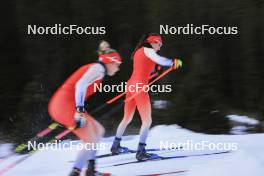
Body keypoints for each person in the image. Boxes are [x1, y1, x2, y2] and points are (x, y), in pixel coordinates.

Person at [48, 42, 122, 176]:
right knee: (90, 139)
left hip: (64, 104)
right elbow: (80, 85)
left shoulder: (98, 69)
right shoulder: (98, 69)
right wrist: (79, 111)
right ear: (111, 61)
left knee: (99, 131)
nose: (118, 68)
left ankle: (90, 170)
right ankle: (76, 172)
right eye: (117, 64)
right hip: (64, 105)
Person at [110, 33, 182, 161]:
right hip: (139, 88)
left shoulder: (139, 51)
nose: (159, 47)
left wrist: (157, 69)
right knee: (147, 121)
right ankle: (141, 152)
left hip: (130, 86)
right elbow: (159, 60)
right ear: (153, 42)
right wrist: (172, 62)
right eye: (159, 44)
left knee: (127, 118)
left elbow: (147, 69)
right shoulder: (148, 50)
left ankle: (116, 145)